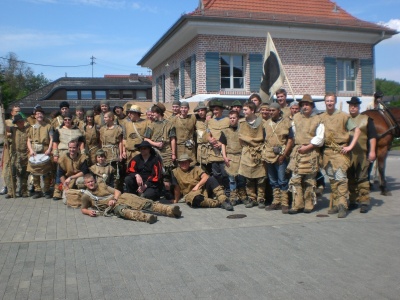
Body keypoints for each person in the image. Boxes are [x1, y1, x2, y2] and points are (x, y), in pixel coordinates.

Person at [320, 92, 361, 218]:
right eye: (327, 101)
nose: (329, 103)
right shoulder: (321, 117)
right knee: (332, 180)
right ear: (325, 102)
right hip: (327, 153)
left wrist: (349, 146)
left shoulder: (343, 116)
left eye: (332, 100)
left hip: (340, 152)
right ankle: (337, 204)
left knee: (341, 179)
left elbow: (357, 130)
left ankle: (343, 205)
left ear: (335, 101)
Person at [80, 174, 181, 224]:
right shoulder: (86, 195)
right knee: (125, 212)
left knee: (144, 202)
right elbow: (83, 209)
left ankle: (170, 210)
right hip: (111, 206)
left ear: (94, 181)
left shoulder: (102, 186)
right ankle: (147, 218)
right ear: (85, 184)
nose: (91, 184)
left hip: (120, 198)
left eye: (92, 181)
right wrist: (89, 212)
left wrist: (114, 199)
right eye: (88, 182)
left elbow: (117, 191)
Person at [287, 94, 324, 214]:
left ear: (312, 106)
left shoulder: (318, 119)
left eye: (307, 104)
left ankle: (309, 204)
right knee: (296, 179)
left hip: (311, 152)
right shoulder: (296, 117)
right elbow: (293, 133)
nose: (305, 107)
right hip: (298, 152)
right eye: (303, 105)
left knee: (309, 180)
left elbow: (320, 138)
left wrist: (307, 147)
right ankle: (297, 204)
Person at [347, 97, 377, 213]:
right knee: (350, 179)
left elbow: (372, 136)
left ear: (358, 107)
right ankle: (353, 200)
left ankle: (364, 201)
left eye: (355, 105)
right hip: (348, 155)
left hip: (362, 154)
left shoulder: (367, 119)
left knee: (362, 178)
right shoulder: (345, 119)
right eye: (351, 105)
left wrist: (372, 151)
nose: (353, 107)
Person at [263, 103, 294, 213]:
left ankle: (284, 203)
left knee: (282, 180)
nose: (271, 112)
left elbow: (290, 139)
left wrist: (284, 154)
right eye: (269, 110)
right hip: (269, 155)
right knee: (272, 180)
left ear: (278, 110)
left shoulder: (286, 123)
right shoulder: (266, 123)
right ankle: (276, 201)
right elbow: (264, 140)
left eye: (273, 110)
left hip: (281, 155)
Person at [144, 103, 177, 200]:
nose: (152, 114)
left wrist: (173, 153)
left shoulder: (170, 124)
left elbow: (172, 139)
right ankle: (155, 192)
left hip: (166, 151)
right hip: (154, 152)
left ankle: (167, 192)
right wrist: (155, 144)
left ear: (158, 113)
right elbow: (146, 138)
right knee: (154, 172)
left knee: (166, 173)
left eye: (153, 112)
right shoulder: (151, 125)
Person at [238, 101, 267, 208]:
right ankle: (252, 198)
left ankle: (261, 199)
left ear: (252, 110)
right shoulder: (241, 123)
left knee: (261, 178)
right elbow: (240, 138)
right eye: (243, 109)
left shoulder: (262, 122)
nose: (243, 111)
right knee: (248, 177)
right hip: (247, 153)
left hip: (259, 152)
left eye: (245, 110)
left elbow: (265, 138)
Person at [202, 100, 230, 195]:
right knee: (216, 173)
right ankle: (219, 191)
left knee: (225, 173)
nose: (215, 112)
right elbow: (207, 133)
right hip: (213, 152)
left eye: (217, 109)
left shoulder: (227, 120)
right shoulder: (210, 121)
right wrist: (209, 139)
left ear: (222, 110)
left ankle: (228, 191)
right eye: (214, 110)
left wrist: (221, 143)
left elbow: (230, 135)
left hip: (224, 151)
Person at [220, 110, 247, 205]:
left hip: (241, 156)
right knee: (231, 179)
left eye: (234, 118)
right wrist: (224, 157)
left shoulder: (243, 130)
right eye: (230, 118)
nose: (232, 120)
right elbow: (223, 144)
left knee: (241, 178)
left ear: (238, 118)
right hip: (230, 157)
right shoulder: (225, 131)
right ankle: (233, 197)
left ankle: (243, 196)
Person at [27, 108, 54, 199]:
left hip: (45, 150)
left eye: (41, 114)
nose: (39, 115)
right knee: (35, 172)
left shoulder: (48, 126)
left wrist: (49, 149)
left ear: (43, 115)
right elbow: (28, 140)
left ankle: (46, 190)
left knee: (46, 172)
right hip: (34, 151)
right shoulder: (32, 127)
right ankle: (37, 190)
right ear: (35, 116)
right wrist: (31, 150)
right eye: (37, 114)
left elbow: (52, 139)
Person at [5, 114, 29, 198]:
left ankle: (24, 191)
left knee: (24, 174)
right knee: (11, 174)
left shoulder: (27, 129)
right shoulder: (13, 129)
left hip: (25, 155)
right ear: (16, 123)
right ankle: (11, 192)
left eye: (21, 121)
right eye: (19, 122)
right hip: (15, 155)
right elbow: (5, 128)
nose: (21, 123)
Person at [99, 111, 124, 190]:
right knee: (104, 172)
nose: (104, 119)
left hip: (114, 152)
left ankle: (116, 189)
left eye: (106, 117)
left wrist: (120, 154)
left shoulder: (118, 129)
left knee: (114, 172)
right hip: (105, 152)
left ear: (111, 118)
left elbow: (120, 142)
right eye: (104, 117)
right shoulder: (102, 129)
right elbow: (101, 142)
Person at [1, 105, 22, 196]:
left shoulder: (22, 122)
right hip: (8, 148)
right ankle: (6, 186)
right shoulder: (6, 122)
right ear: (12, 112)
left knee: (19, 169)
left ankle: (21, 188)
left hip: (19, 148)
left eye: (19, 111)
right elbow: (3, 131)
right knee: (6, 168)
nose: (17, 113)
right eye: (16, 111)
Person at [194, 102, 209, 171]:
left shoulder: (210, 119)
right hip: (200, 149)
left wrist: (209, 114)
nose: (200, 112)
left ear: (206, 111)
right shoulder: (196, 121)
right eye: (198, 111)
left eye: (202, 110)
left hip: (210, 149)